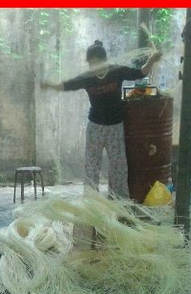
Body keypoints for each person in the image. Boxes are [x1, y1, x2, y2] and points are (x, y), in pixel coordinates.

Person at [42, 40, 161, 198]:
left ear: (104, 60)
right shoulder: (87, 77)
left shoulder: (116, 71)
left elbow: (141, 73)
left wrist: (152, 60)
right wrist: (50, 86)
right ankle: (92, 201)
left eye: (96, 62)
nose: (93, 66)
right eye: (91, 63)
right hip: (95, 127)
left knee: (118, 166)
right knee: (91, 166)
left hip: (115, 126)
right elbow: (66, 85)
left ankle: (118, 200)